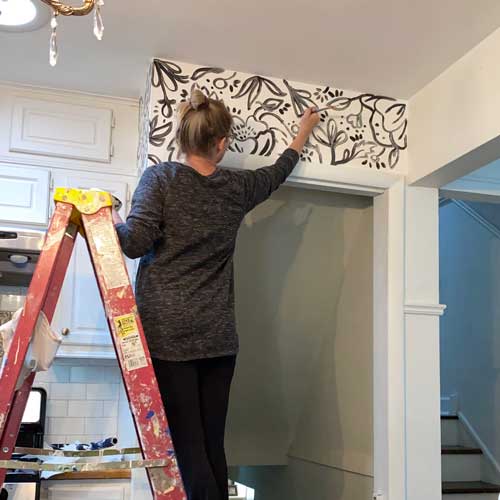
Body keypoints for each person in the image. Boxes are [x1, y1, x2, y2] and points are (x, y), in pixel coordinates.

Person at [113, 89, 320, 500]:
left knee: (187, 446)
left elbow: (134, 243)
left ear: (183, 137)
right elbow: (277, 172)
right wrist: (302, 132)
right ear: (221, 143)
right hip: (217, 336)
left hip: (167, 332)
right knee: (210, 443)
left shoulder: (161, 178)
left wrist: (113, 212)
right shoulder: (237, 187)